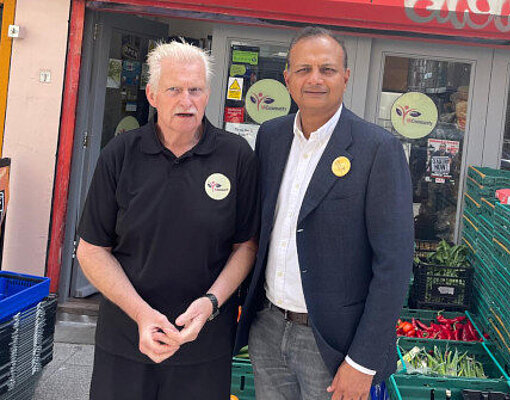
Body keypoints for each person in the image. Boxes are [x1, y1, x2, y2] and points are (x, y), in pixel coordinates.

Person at [235, 27, 414, 400]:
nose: (315, 79)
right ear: (287, 78)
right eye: (304, 69)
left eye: (327, 69)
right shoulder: (271, 136)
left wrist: (362, 361)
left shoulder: (377, 150)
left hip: (334, 343)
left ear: (346, 77)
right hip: (267, 327)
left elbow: (394, 265)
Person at [76, 41, 259, 400]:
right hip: (126, 339)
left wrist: (211, 303)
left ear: (208, 95)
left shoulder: (236, 156)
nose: (186, 101)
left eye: (195, 90)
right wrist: (142, 315)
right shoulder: (121, 154)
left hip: (205, 346)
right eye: (174, 89)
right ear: (153, 94)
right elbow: (92, 250)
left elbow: (246, 245)